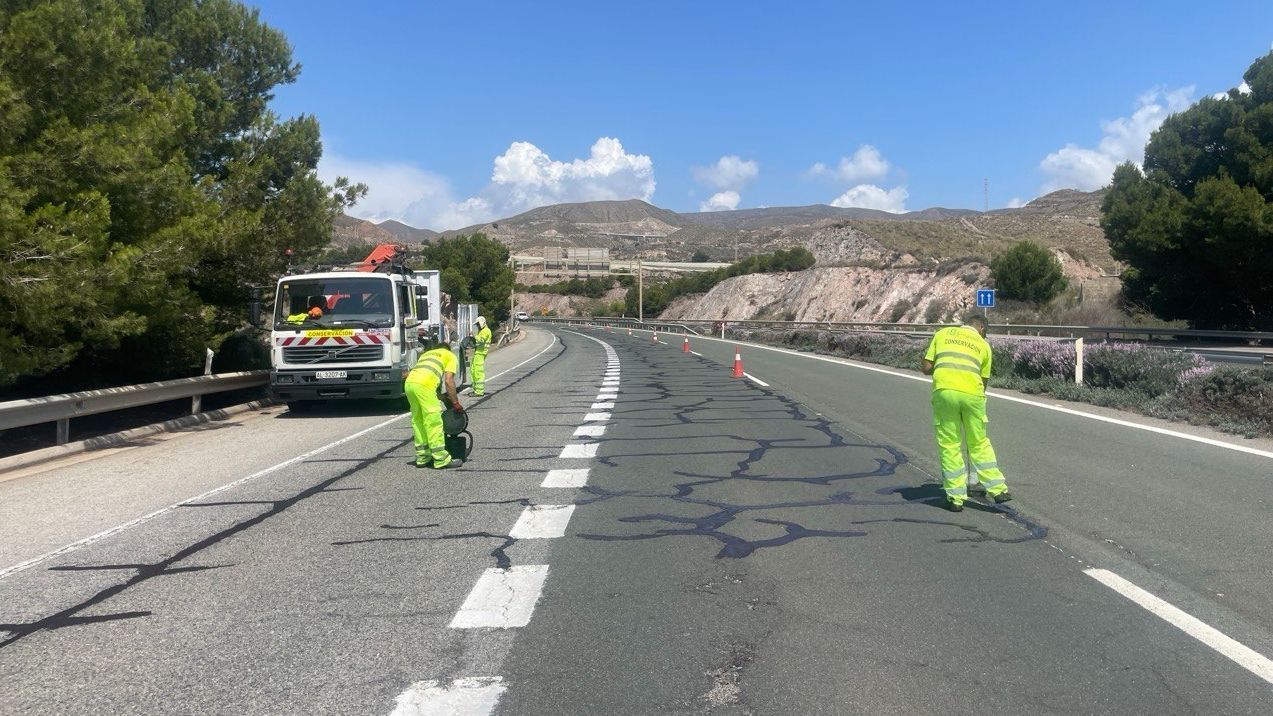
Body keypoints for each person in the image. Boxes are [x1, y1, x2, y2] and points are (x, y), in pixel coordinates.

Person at [921, 313, 1012, 511]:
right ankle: (998, 490)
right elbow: (984, 381)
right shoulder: (983, 345)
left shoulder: (942, 333)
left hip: (944, 392)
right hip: (972, 395)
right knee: (978, 441)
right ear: (982, 329)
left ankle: (955, 498)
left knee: (950, 444)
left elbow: (926, 367)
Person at [405, 333, 464, 469]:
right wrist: (455, 403)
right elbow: (449, 381)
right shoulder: (450, 355)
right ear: (447, 349)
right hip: (424, 385)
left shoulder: (428, 354)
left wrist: (441, 397)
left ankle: (422, 457)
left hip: (410, 384)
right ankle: (441, 459)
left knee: (418, 420)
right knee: (433, 421)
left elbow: (428, 376)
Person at [470, 316, 492, 396]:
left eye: (478, 324)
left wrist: (474, 336)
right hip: (478, 353)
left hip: (481, 353)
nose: (477, 326)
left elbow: (481, 341)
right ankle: (476, 389)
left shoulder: (486, 331)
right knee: (473, 371)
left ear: (482, 323)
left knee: (478, 371)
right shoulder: (482, 331)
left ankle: (479, 391)